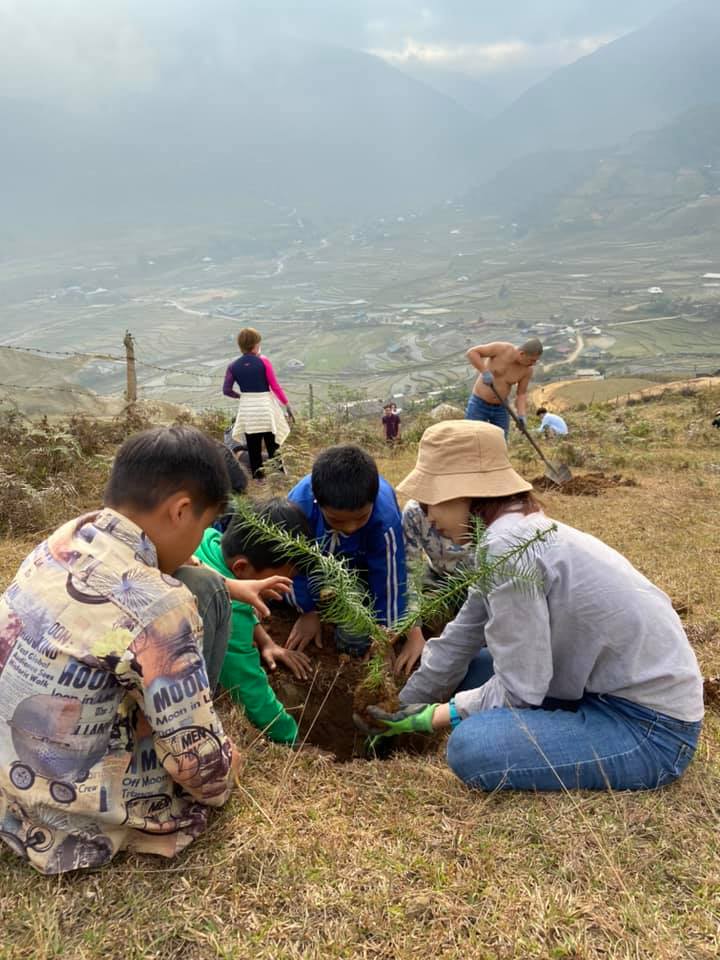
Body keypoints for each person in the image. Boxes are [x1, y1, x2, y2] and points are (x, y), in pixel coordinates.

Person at [0, 426, 292, 874]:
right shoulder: (161, 608)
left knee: (207, 584)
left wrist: (226, 584)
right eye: (205, 525)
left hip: (10, 778)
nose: (201, 542)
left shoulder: (65, 537)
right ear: (181, 510)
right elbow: (203, 774)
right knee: (203, 751)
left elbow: (187, 566)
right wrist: (227, 763)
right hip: (71, 818)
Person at [366, 419, 704, 792]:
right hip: (595, 688)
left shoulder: (509, 547)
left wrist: (432, 717)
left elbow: (521, 688)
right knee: (471, 670)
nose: (428, 516)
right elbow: (461, 637)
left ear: (469, 492)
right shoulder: (508, 534)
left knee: (473, 747)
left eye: (433, 501)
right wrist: (403, 704)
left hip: (649, 726)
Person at [195, 499, 312, 745]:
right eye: (281, 580)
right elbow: (247, 687)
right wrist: (291, 737)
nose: (285, 589)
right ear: (242, 568)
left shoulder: (207, 539)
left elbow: (241, 604)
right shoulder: (229, 613)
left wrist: (265, 640)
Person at [285, 444, 407, 656]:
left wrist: (384, 631)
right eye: (336, 520)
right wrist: (308, 611)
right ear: (317, 501)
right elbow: (289, 561)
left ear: (374, 499)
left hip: (359, 574)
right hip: (313, 567)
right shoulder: (299, 506)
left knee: (356, 640)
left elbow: (390, 577)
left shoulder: (384, 519)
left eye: (361, 518)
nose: (351, 528)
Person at [222, 327, 294, 480]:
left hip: (248, 409)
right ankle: (279, 476)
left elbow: (226, 390)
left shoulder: (233, 366)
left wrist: (240, 396)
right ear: (255, 344)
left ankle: (259, 479)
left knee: (253, 448)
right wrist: (286, 404)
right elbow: (274, 386)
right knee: (273, 445)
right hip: (266, 408)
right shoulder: (264, 361)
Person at [465, 339, 543, 437]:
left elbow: (521, 393)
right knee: (473, 436)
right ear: (522, 354)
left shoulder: (527, 371)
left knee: (501, 439)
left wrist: (521, 415)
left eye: (536, 360)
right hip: (479, 404)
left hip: (501, 408)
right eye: (532, 360)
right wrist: (484, 371)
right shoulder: (501, 349)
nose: (534, 363)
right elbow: (472, 353)